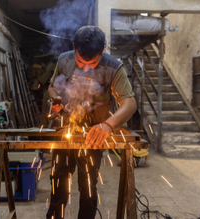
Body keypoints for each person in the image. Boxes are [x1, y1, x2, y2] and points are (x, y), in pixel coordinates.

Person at [46, 26, 137, 219]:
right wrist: (55, 100)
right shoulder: (64, 60)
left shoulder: (113, 67)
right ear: (74, 47)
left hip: (94, 134)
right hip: (66, 130)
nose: (86, 68)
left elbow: (130, 103)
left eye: (92, 63)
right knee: (58, 180)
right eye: (80, 61)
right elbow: (52, 88)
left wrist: (108, 124)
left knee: (87, 184)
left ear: (102, 50)